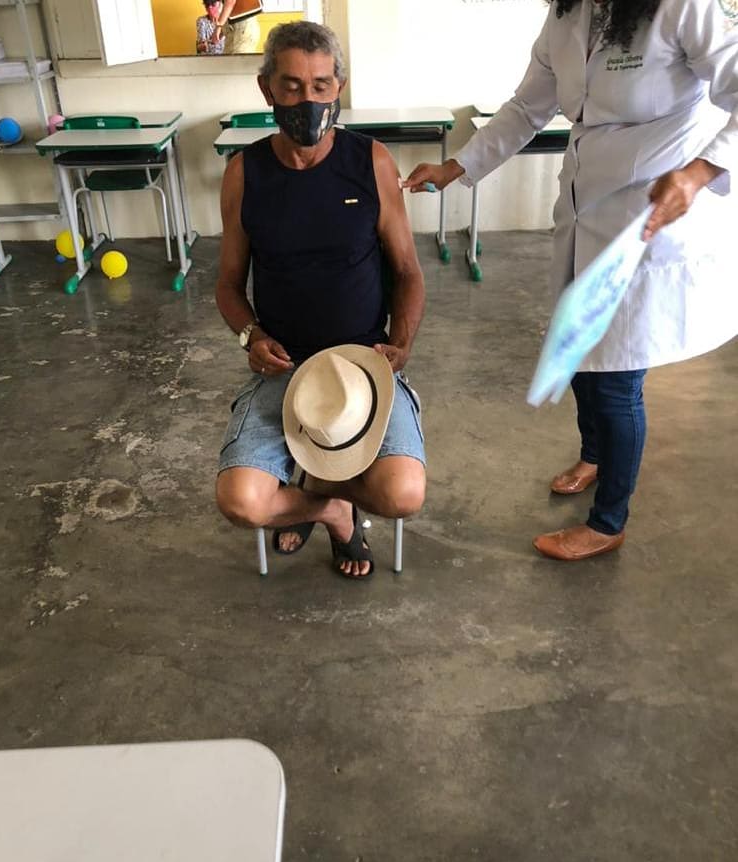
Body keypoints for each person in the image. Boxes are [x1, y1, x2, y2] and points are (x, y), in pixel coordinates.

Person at [404, 0, 738, 561]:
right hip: (585, 208)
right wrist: (455, 167)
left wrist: (699, 172)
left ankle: (608, 521)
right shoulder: (568, 14)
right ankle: (595, 454)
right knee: (579, 351)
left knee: (615, 379)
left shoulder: (682, 6)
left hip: (650, 216)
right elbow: (525, 108)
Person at [215, 21, 426, 579]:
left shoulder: (371, 162)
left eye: (320, 86)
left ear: (339, 88)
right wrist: (252, 337)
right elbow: (228, 284)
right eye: (291, 86)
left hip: (365, 365)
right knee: (241, 501)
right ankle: (331, 509)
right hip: (285, 368)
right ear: (266, 89)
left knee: (403, 493)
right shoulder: (244, 173)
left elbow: (407, 271)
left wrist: (400, 344)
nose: (307, 101)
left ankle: (318, 483)